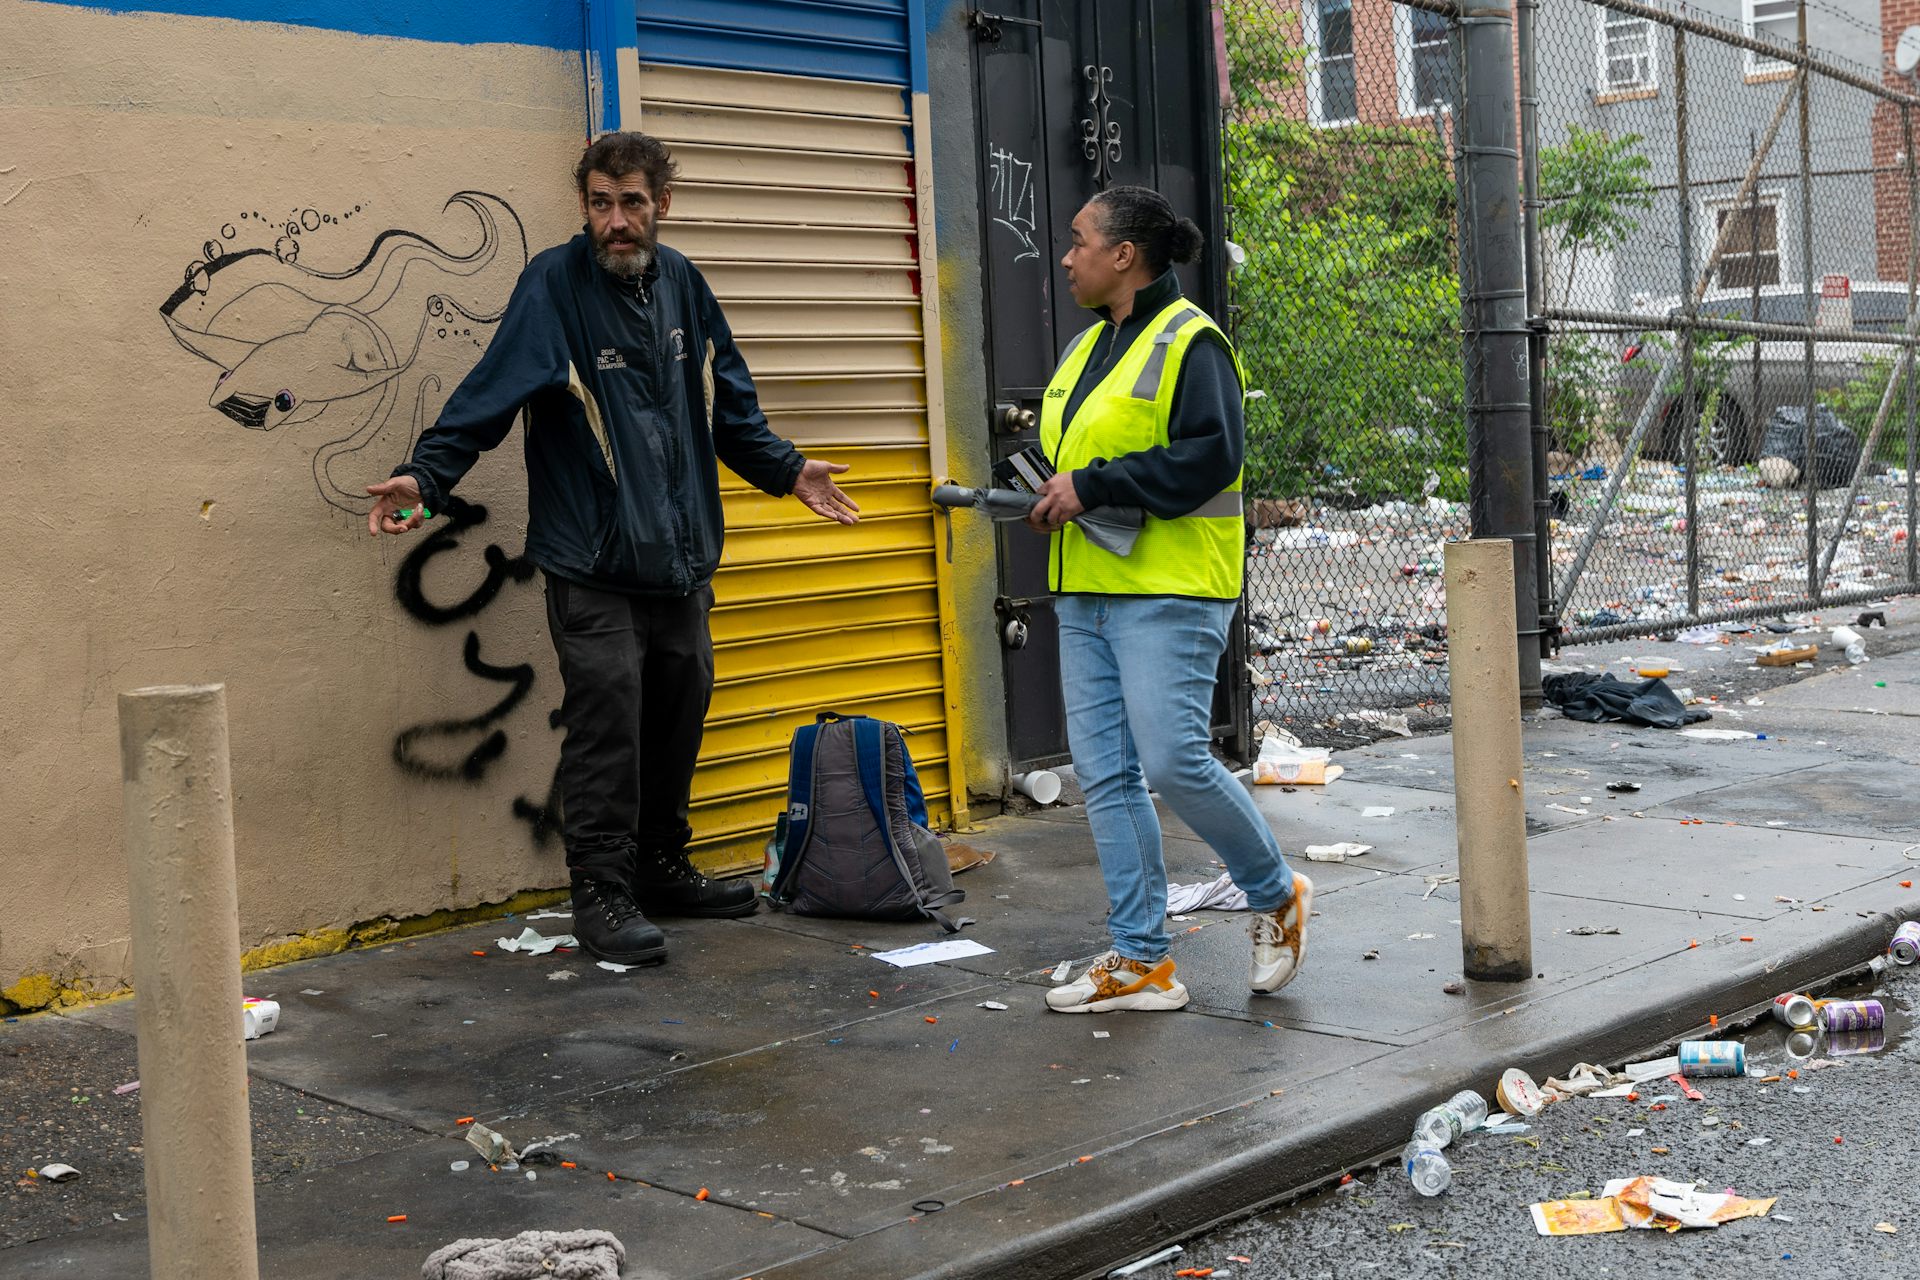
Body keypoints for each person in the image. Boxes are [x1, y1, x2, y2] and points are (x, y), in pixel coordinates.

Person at [368, 132, 860, 967]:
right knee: (610, 726)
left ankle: (662, 866)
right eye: (601, 203)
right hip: (592, 559)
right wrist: (427, 475)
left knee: (678, 712)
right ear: (586, 205)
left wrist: (786, 469)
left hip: (679, 558)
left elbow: (729, 408)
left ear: (661, 204)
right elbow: (487, 395)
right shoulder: (554, 287)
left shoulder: (687, 288)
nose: (616, 221)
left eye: (632, 203)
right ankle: (600, 889)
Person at [1026, 185, 1311, 1014]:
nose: (1068, 254)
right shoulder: (1087, 348)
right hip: (1088, 583)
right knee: (1106, 777)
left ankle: (1273, 891)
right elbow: (1079, 458)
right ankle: (1142, 959)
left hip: (1172, 587)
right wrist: (1054, 492)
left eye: (1080, 240)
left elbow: (1211, 457)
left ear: (1124, 255)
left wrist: (1094, 484)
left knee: (1172, 760)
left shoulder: (1192, 341)